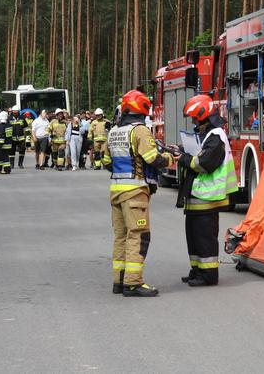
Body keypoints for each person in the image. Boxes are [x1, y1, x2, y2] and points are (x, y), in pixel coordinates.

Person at [102, 90, 175, 297]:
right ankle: (133, 283)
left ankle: (120, 280)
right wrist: (171, 158)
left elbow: (107, 162)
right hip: (134, 192)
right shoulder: (140, 131)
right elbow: (153, 158)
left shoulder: (114, 131)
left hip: (116, 190)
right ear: (141, 108)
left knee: (121, 236)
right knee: (139, 236)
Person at [176, 94, 238, 287]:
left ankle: (209, 275)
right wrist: (180, 150)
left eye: (196, 118)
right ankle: (197, 270)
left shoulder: (216, 137)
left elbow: (203, 163)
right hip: (199, 196)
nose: (194, 122)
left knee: (204, 238)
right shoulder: (207, 136)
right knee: (193, 237)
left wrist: (183, 158)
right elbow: (198, 152)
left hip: (209, 197)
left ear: (204, 116)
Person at [9, 105, 27, 169]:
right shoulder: (9, 118)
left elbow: (26, 128)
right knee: (11, 151)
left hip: (21, 138)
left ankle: (20, 164)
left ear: (18, 112)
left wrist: (27, 139)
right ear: (12, 112)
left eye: (16, 112)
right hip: (12, 138)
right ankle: (11, 164)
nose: (15, 114)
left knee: (22, 151)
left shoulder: (22, 118)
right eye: (14, 112)